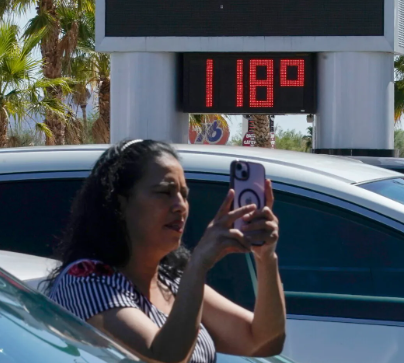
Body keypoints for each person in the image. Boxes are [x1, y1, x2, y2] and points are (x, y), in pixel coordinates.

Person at [48, 140, 285, 363]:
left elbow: (263, 341)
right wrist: (199, 262)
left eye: (184, 195)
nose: (180, 205)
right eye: (165, 192)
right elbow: (164, 356)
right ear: (120, 202)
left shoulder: (171, 280)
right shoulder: (85, 279)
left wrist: (265, 257)